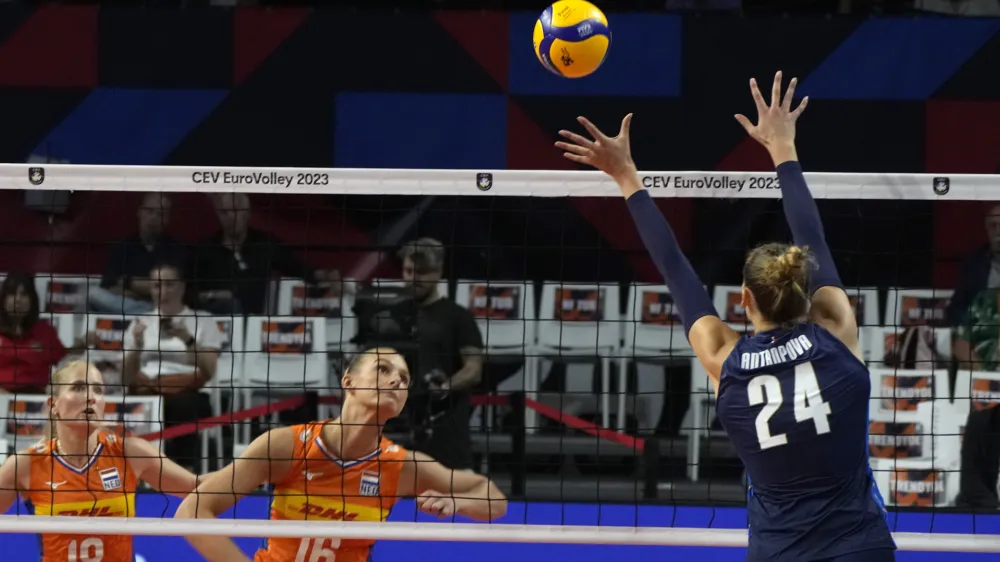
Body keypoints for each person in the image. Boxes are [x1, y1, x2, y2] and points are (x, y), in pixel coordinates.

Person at [555, 71, 896, 562]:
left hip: (778, 552)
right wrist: (783, 147)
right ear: (805, 291)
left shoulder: (724, 359)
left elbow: (674, 269)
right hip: (860, 546)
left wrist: (626, 176)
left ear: (744, 300)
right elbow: (813, 237)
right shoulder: (836, 332)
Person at [174, 347, 507, 562]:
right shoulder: (286, 446)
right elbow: (191, 511)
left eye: (404, 379)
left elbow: (492, 498)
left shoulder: (402, 466)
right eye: (383, 369)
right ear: (349, 381)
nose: (396, 380)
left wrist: (458, 503)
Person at [0, 360, 207, 562]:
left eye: (98, 390)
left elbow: (196, 486)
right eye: (78, 388)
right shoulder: (27, 464)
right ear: (54, 405)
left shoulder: (130, 453)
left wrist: (230, 472)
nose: (91, 397)